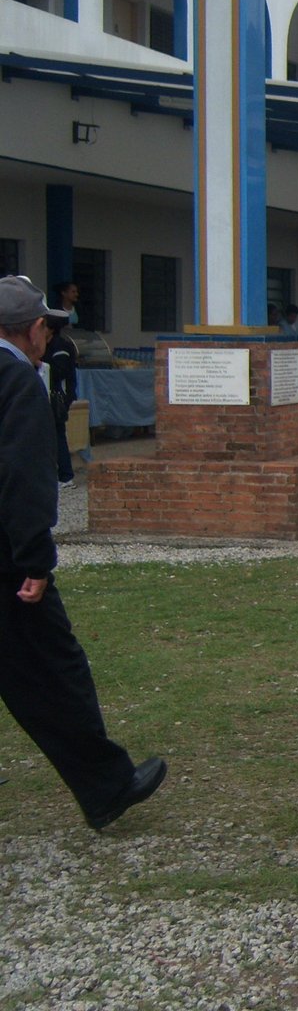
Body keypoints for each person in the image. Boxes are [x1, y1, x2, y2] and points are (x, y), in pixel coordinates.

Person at [0, 275, 167, 830]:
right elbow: (23, 476)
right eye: (46, 328)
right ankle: (106, 786)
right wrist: (34, 560)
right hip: (6, 561)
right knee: (51, 671)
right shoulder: (16, 379)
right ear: (34, 330)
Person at [44, 318, 79, 487]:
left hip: (59, 397)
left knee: (58, 434)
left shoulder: (60, 346)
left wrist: (39, 364)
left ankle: (66, 475)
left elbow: (59, 372)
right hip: (51, 395)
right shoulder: (48, 344)